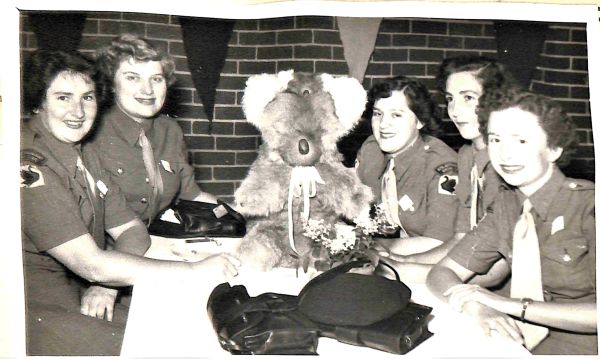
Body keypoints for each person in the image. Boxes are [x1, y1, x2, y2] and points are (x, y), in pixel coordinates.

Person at [20, 50, 239, 355]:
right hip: (29, 305)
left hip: (80, 289)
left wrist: (107, 283)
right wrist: (195, 270)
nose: (78, 111)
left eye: (87, 98)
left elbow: (132, 230)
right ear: (39, 102)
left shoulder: (83, 153)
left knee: (188, 327)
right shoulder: (27, 164)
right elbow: (91, 264)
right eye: (63, 97)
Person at [426, 89, 596, 355]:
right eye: (495, 139)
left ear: (554, 148)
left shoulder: (589, 206)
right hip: (516, 338)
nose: (505, 154)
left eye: (521, 141)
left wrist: (511, 306)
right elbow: (441, 273)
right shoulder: (507, 205)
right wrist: (475, 305)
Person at [83, 33, 219, 317]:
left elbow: (193, 195)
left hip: (153, 251)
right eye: (132, 77)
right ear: (111, 82)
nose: (147, 89)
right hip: (98, 269)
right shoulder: (90, 132)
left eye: (156, 79)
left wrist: (235, 219)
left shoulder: (170, 131)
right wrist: (107, 284)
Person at [379, 56, 518, 283]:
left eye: (468, 98)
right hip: (463, 277)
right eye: (450, 99)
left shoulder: (509, 166)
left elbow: (496, 271)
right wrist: (401, 260)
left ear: (497, 100)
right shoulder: (466, 156)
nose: (454, 110)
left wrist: (396, 270)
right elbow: (461, 240)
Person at [355, 76, 459, 280]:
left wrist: (372, 246)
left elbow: (439, 241)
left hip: (434, 265)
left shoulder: (442, 166)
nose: (383, 125)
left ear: (419, 120)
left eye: (396, 115)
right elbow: (348, 197)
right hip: (391, 255)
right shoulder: (371, 149)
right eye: (378, 114)